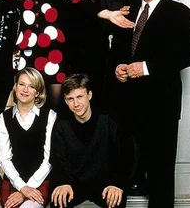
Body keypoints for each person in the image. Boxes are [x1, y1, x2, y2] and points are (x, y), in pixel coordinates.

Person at [111, 0, 190, 207]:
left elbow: (186, 55)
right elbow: (118, 51)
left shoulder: (178, 12)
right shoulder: (129, 13)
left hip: (162, 107)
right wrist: (118, 68)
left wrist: (145, 68)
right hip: (128, 106)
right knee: (127, 172)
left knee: (160, 176)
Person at [3, 0, 92, 111]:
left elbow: (84, 5)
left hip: (56, 63)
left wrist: (107, 12)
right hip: (28, 61)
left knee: (57, 114)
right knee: (27, 114)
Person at [99, 0, 144, 196]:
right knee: (114, 122)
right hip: (114, 59)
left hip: (138, 58)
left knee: (136, 124)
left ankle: (135, 177)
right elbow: (102, 26)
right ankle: (114, 176)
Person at [50, 74, 131, 208]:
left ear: (90, 95)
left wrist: (117, 183)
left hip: (105, 183)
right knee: (58, 201)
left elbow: (126, 153)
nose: (76, 104)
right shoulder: (61, 126)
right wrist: (63, 182)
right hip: (74, 184)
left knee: (117, 200)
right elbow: (58, 159)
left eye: (80, 97)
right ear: (65, 101)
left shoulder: (108, 121)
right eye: (71, 99)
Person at [0, 67, 57, 208]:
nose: (25, 90)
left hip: (39, 182)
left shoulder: (50, 116)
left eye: (31, 86)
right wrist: (21, 187)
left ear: (38, 92)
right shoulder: (3, 118)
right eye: (21, 84)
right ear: (15, 86)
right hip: (12, 182)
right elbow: (4, 159)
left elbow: (49, 159)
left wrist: (27, 189)